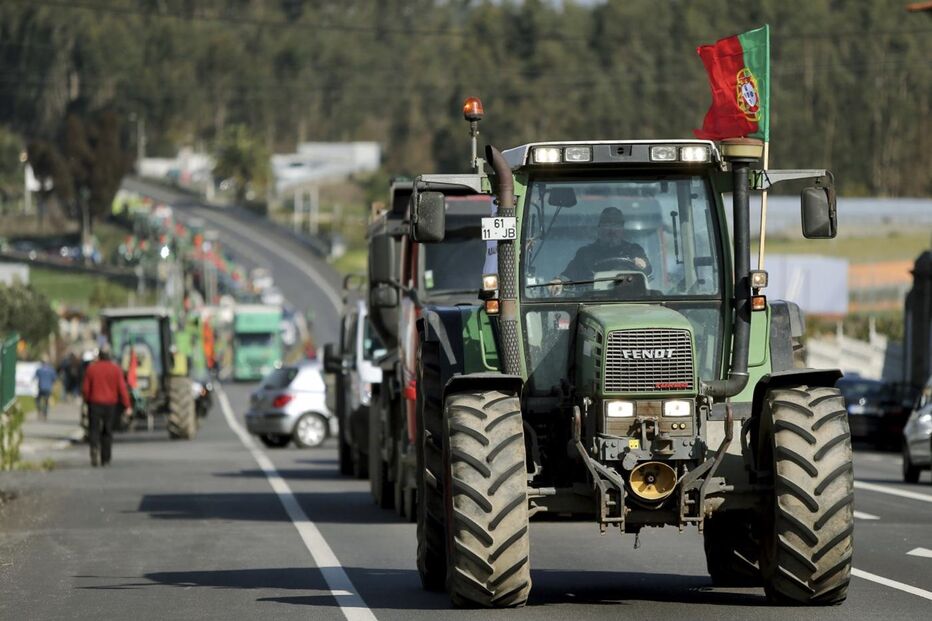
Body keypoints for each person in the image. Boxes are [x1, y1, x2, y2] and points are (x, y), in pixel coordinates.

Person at [549, 207, 652, 295]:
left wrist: (643, 264)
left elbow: (647, 269)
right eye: (607, 224)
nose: (612, 230)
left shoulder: (633, 250)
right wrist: (559, 281)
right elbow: (568, 275)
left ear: (622, 229)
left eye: (616, 225)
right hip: (592, 302)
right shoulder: (585, 253)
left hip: (630, 302)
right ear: (599, 228)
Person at [82, 345, 131, 467]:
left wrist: (87, 401)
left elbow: (85, 389)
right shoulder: (115, 369)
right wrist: (127, 405)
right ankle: (106, 457)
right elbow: (122, 388)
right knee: (107, 431)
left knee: (94, 429)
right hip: (110, 405)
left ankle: (94, 449)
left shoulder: (91, 369)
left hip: (94, 404)